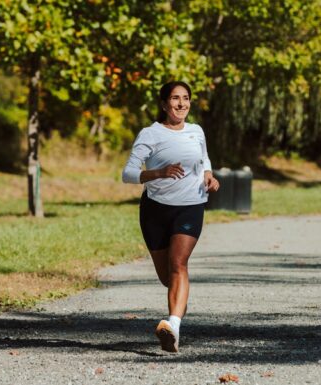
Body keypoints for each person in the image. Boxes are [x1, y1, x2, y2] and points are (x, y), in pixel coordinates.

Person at [121, 81, 220, 353]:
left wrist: (208, 176)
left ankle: (172, 326)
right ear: (164, 104)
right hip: (155, 210)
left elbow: (204, 158)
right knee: (168, 277)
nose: (181, 104)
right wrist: (158, 173)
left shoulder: (196, 131)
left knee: (179, 264)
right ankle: (176, 315)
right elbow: (128, 173)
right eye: (175, 99)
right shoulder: (150, 134)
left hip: (191, 205)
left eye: (185, 98)